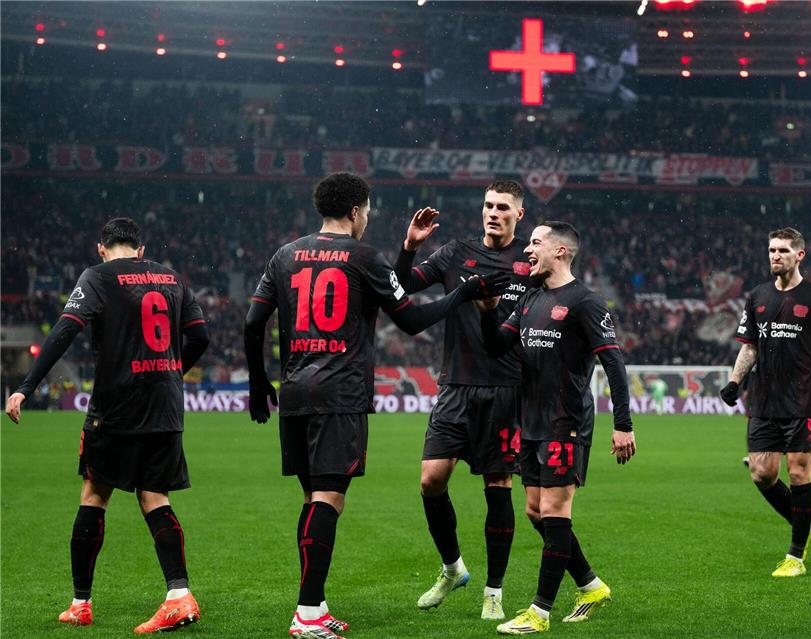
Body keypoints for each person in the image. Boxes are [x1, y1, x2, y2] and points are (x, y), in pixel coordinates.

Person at [243, 172, 508, 639]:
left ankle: (315, 602)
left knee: (311, 500)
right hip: (339, 394)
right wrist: (462, 294)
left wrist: (256, 379)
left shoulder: (285, 254)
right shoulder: (363, 256)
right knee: (328, 500)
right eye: (367, 210)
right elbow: (411, 320)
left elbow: (252, 321)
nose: (367, 218)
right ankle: (307, 613)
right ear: (354, 211)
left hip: (295, 391)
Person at [4, 217, 210, 632]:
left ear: (101, 248)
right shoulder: (171, 277)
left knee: (94, 494)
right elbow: (200, 336)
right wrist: (170, 373)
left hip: (116, 407)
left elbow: (66, 329)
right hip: (166, 406)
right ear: (141, 247)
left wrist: (26, 386)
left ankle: (81, 603)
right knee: (155, 496)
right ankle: (178, 594)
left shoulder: (97, 277)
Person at [476, 221, 636, 635]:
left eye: (534, 244)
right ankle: (590, 585)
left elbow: (614, 364)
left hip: (566, 421)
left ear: (561, 251)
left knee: (555, 510)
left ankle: (539, 612)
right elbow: (497, 347)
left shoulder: (586, 302)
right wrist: (487, 312)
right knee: (534, 510)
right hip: (530, 422)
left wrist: (623, 425)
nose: (526, 251)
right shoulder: (530, 299)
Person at [392, 180, 533, 620]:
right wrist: (410, 247)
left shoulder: (531, 261)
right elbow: (402, 286)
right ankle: (453, 569)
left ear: (519, 215)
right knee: (431, 480)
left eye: (503, 208)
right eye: (488, 205)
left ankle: (494, 590)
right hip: (456, 384)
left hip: (507, 388)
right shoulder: (456, 252)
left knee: (498, 487)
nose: (493, 213)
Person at [720, 226, 811, 578]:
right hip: (764, 400)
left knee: (798, 472)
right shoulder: (757, 297)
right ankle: (802, 523)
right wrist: (735, 382)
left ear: (800, 255)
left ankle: (795, 557)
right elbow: (750, 346)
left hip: (802, 400)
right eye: (770, 250)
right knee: (762, 473)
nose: (775, 256)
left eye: (782, 250)